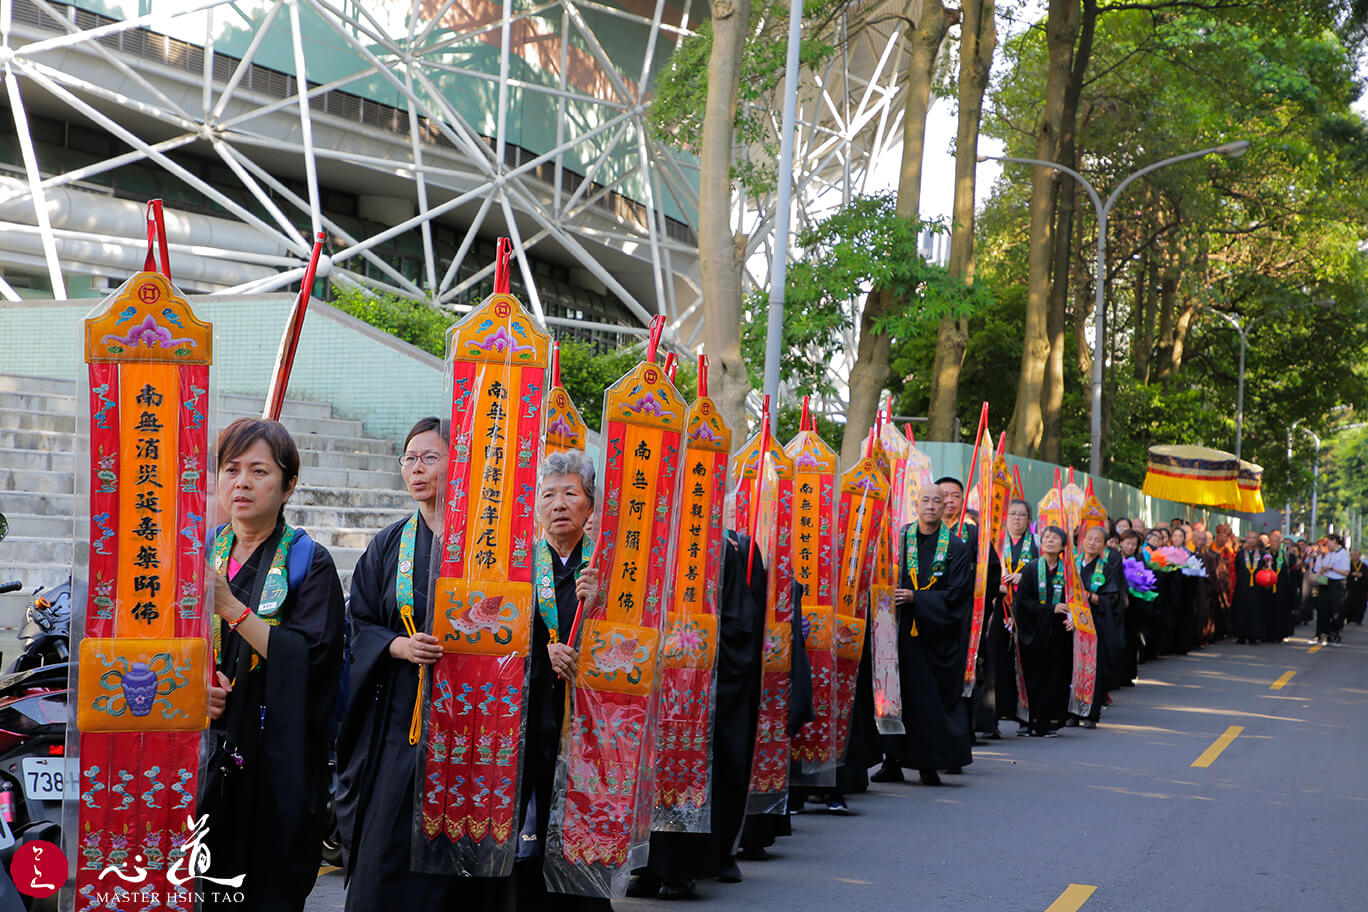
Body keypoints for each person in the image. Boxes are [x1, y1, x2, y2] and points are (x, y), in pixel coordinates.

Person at [203, 418, 347, 911]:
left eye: (259, 471)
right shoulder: (202, 554)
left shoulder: (311, 562)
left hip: (276, 768)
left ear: (288, 485)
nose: (241, 482)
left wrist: (231, 608)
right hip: (207, 756)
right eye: (231, 468)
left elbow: (311, 661)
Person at [337, 418, 473, 909]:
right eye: (409, 459)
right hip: (400, 716)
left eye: (430, 458)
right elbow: (360, 619)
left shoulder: (482, 546)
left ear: (458, 465)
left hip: (468, 718)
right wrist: (398, 646)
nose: (417, 469)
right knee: (384, 845)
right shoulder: (388, 543)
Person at [633, 528, 768, 898]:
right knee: (644, 772)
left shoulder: (719, 546)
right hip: (649, 674)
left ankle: (681, 869)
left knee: (689, 769)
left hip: (700, 679)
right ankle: (645, 865)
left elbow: (741, 624)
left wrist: (696, 652)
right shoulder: (644, 525)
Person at [518, 449, 606, 911]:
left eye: (570, 493)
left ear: (589, 505)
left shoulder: (604, 569)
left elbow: (635, 642)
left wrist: (601, 606)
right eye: (548, 494)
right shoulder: (519, 566)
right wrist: (541, 652)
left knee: (581, 834)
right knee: (529, 832)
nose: (558, 504)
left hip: (590, 725)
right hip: (533, 719)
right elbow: (500, 638)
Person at [880, 483, 973, 783]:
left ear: (946, 505)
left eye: (938, 500)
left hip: (935, 635)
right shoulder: (899, 539)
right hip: (897, 631)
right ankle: (891, 762)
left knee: (928, 701)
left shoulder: (956, 547)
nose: (931, 505)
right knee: (893, 696)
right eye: (926, 500)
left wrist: (917, 599)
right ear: (916, 504)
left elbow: (958, 593)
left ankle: (928, 764)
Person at [935, 476, 1001, 743]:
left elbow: (992, 571)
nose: (949, 501)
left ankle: (969, 727)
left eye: (955, 496)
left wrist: (981, 605)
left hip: (965, 617)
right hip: (931, 614)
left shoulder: (974, 533)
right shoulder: (923, 530)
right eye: (944, 496)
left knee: (970, 667)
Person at [1012, 527, 1074, 737]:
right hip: (1033, 632)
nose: (1049, 541)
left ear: (1063, 546)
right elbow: (1022, 602)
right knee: (1032, 677)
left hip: (1057, 633)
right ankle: (1029, 721)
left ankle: (1048, 723)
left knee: (1054, 677)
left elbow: (1076, 600)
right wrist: (1050, 609)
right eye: (1046, 537)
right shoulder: (1031, 569)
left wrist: (1072, 618)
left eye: (1055, 538)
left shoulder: (1067, 571)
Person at [1077, 526, 1122, 729]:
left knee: (1094, 668)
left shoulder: (1107, 569)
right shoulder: (1071, 565)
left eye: (1097, 540)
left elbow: (1111, 599)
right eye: (1089, 539)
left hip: (1096, 624)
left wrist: (1085, 595)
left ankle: (1091, 714)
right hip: (1071, 623)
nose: (1092, 543)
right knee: (1071, 666)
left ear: (1104, 545)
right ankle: (1071, 711)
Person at [997, 499, 1036, 733]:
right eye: (1013, 514)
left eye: (1022, 515)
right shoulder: (997, 542)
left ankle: (1026, 714)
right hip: (1000, 606)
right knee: (1000, 661)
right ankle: (1001, 711)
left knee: (1026, 660)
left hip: (1026, 609)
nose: (1017, 518)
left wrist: (1025, 577)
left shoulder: (1037, 543)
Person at [1312, 535, 1350, 646]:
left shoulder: (1343, 553)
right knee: (1323, 608)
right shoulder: (1330, 554)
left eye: (1329, 542)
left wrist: (1332, 569)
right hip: (1325, 582)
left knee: (1336, 609)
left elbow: (1346, 572)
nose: (1328, 544)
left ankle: (1336, 634)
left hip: (1337, 583)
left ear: (1334, 541)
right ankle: (1324, 633)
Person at [1231, 530, 1267, 645]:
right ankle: (1241, 635)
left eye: (1254, 538)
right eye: (1249, 538)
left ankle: (1253, 635)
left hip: (1257, 588)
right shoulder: (1241, 554)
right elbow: (1237, 568)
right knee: (1241, 610)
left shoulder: (1262, 555)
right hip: (1243, 586)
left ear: (1257, 540)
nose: (1251, 540)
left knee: (1255, 611)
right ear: (1246, 539)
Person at [1263, 530, 1298, 643]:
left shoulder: (1288, 556)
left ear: (1280, 542)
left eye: (1276, 541)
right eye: (1271, 541)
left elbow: (1293, 576)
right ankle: (1266, 634)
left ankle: (1280, 634)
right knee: (1267, 611)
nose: (1273, 543)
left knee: (1280, 612)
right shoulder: (1264, 555)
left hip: (1282, 590)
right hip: (1267, 589)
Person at [1347, 550, 1367, 626]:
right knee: (1349, 603)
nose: (1355, 556)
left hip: (1360, 588)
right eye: (1354, 555)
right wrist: (1352, 574)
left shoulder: (1364, 566)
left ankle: (1358, 619)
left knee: (1360, 604)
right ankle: (1349, 618)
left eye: (1357, 555)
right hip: (1350, 587)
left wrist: (1361, 575)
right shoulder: (1348, 565)